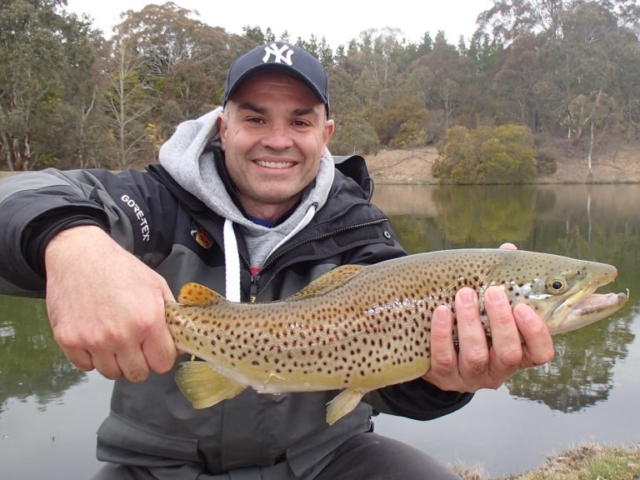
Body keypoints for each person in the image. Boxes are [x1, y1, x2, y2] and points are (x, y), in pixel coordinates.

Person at [0, 41, 554, 480]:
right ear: (224, 127)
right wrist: (71, 245)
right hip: (153, 466)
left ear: (326, 134)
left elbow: (393, 389)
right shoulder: (151, 204)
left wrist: (449, 378)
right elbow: (22, 196)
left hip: (326, 460)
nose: (278, 140)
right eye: (256, 118)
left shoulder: (360, 231)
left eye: (300, 121)